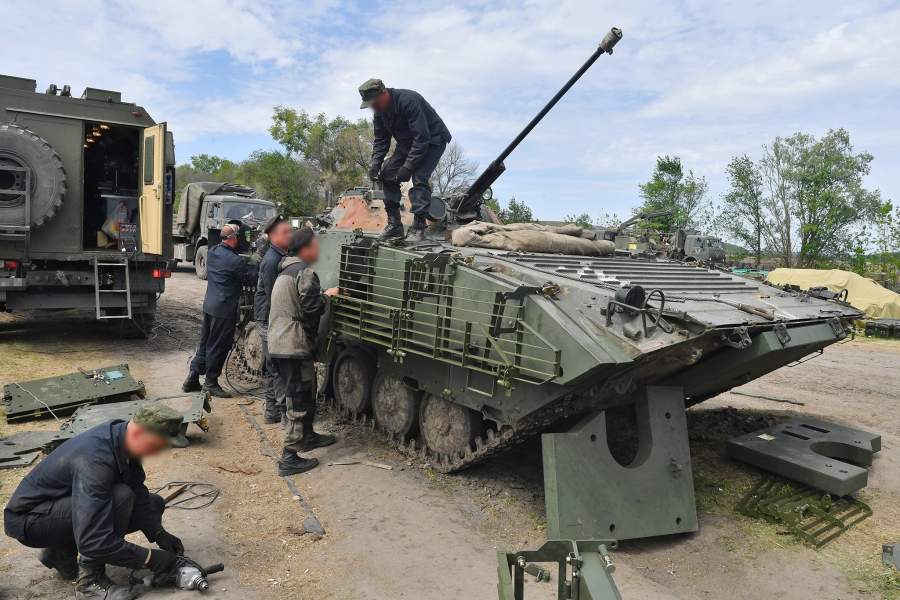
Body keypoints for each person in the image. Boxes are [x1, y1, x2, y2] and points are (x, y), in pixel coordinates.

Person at [4, 404, 186, 600]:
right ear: (138, 433)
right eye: (158, 445)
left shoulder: (121, 437)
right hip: (30, 520)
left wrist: (158, 533)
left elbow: (137, 489)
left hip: (55, 508)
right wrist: (149, 558)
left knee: (153, 503)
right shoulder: (96, 459)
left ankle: (60, 554)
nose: (159, 452)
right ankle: (90, 582)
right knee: (121, 498)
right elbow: (93, 540)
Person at [267, 227, 339, 476]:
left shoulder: (286, 271)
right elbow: (311, 308)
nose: (318, 250)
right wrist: (327, 297)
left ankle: (307, 436)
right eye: (315, 246)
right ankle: (289, 458)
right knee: (297, 398)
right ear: (306, 248)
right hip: (292, 345)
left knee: (305, 393)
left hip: (281, 343)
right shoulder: (304, 272)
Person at [359, 78, 452, 242]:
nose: (374, 107)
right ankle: (395, 226)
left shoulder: (409, 101)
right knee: (387, 173)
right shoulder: (379, 113)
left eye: (375, 103)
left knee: (419, 176)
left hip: (432, 140)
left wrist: (408, 167)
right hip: (408, 144)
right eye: (371, 105)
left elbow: (422, 138)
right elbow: (381, 140)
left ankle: (418, 227)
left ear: (384, 93)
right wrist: (375, 163)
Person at [183, 223, 259, 397]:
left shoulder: (214, 252)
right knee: (219, 346)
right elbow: (251, 277)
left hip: (210, 305)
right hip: (224, 310)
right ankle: (210, 383)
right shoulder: (234, 260)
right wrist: (256, 261)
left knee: (205, 343)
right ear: (233, 239)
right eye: (237, 237)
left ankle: (192, 378)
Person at [254, 215, 292, 424]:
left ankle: (272, 411)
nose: (290, 235)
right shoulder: (271, 260)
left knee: (273, 365)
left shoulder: (280, 255)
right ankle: (277, 411)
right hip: (268, 318)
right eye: (286, 232)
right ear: (274, 236)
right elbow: (273, 295)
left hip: (270, 316)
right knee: (276, 366)